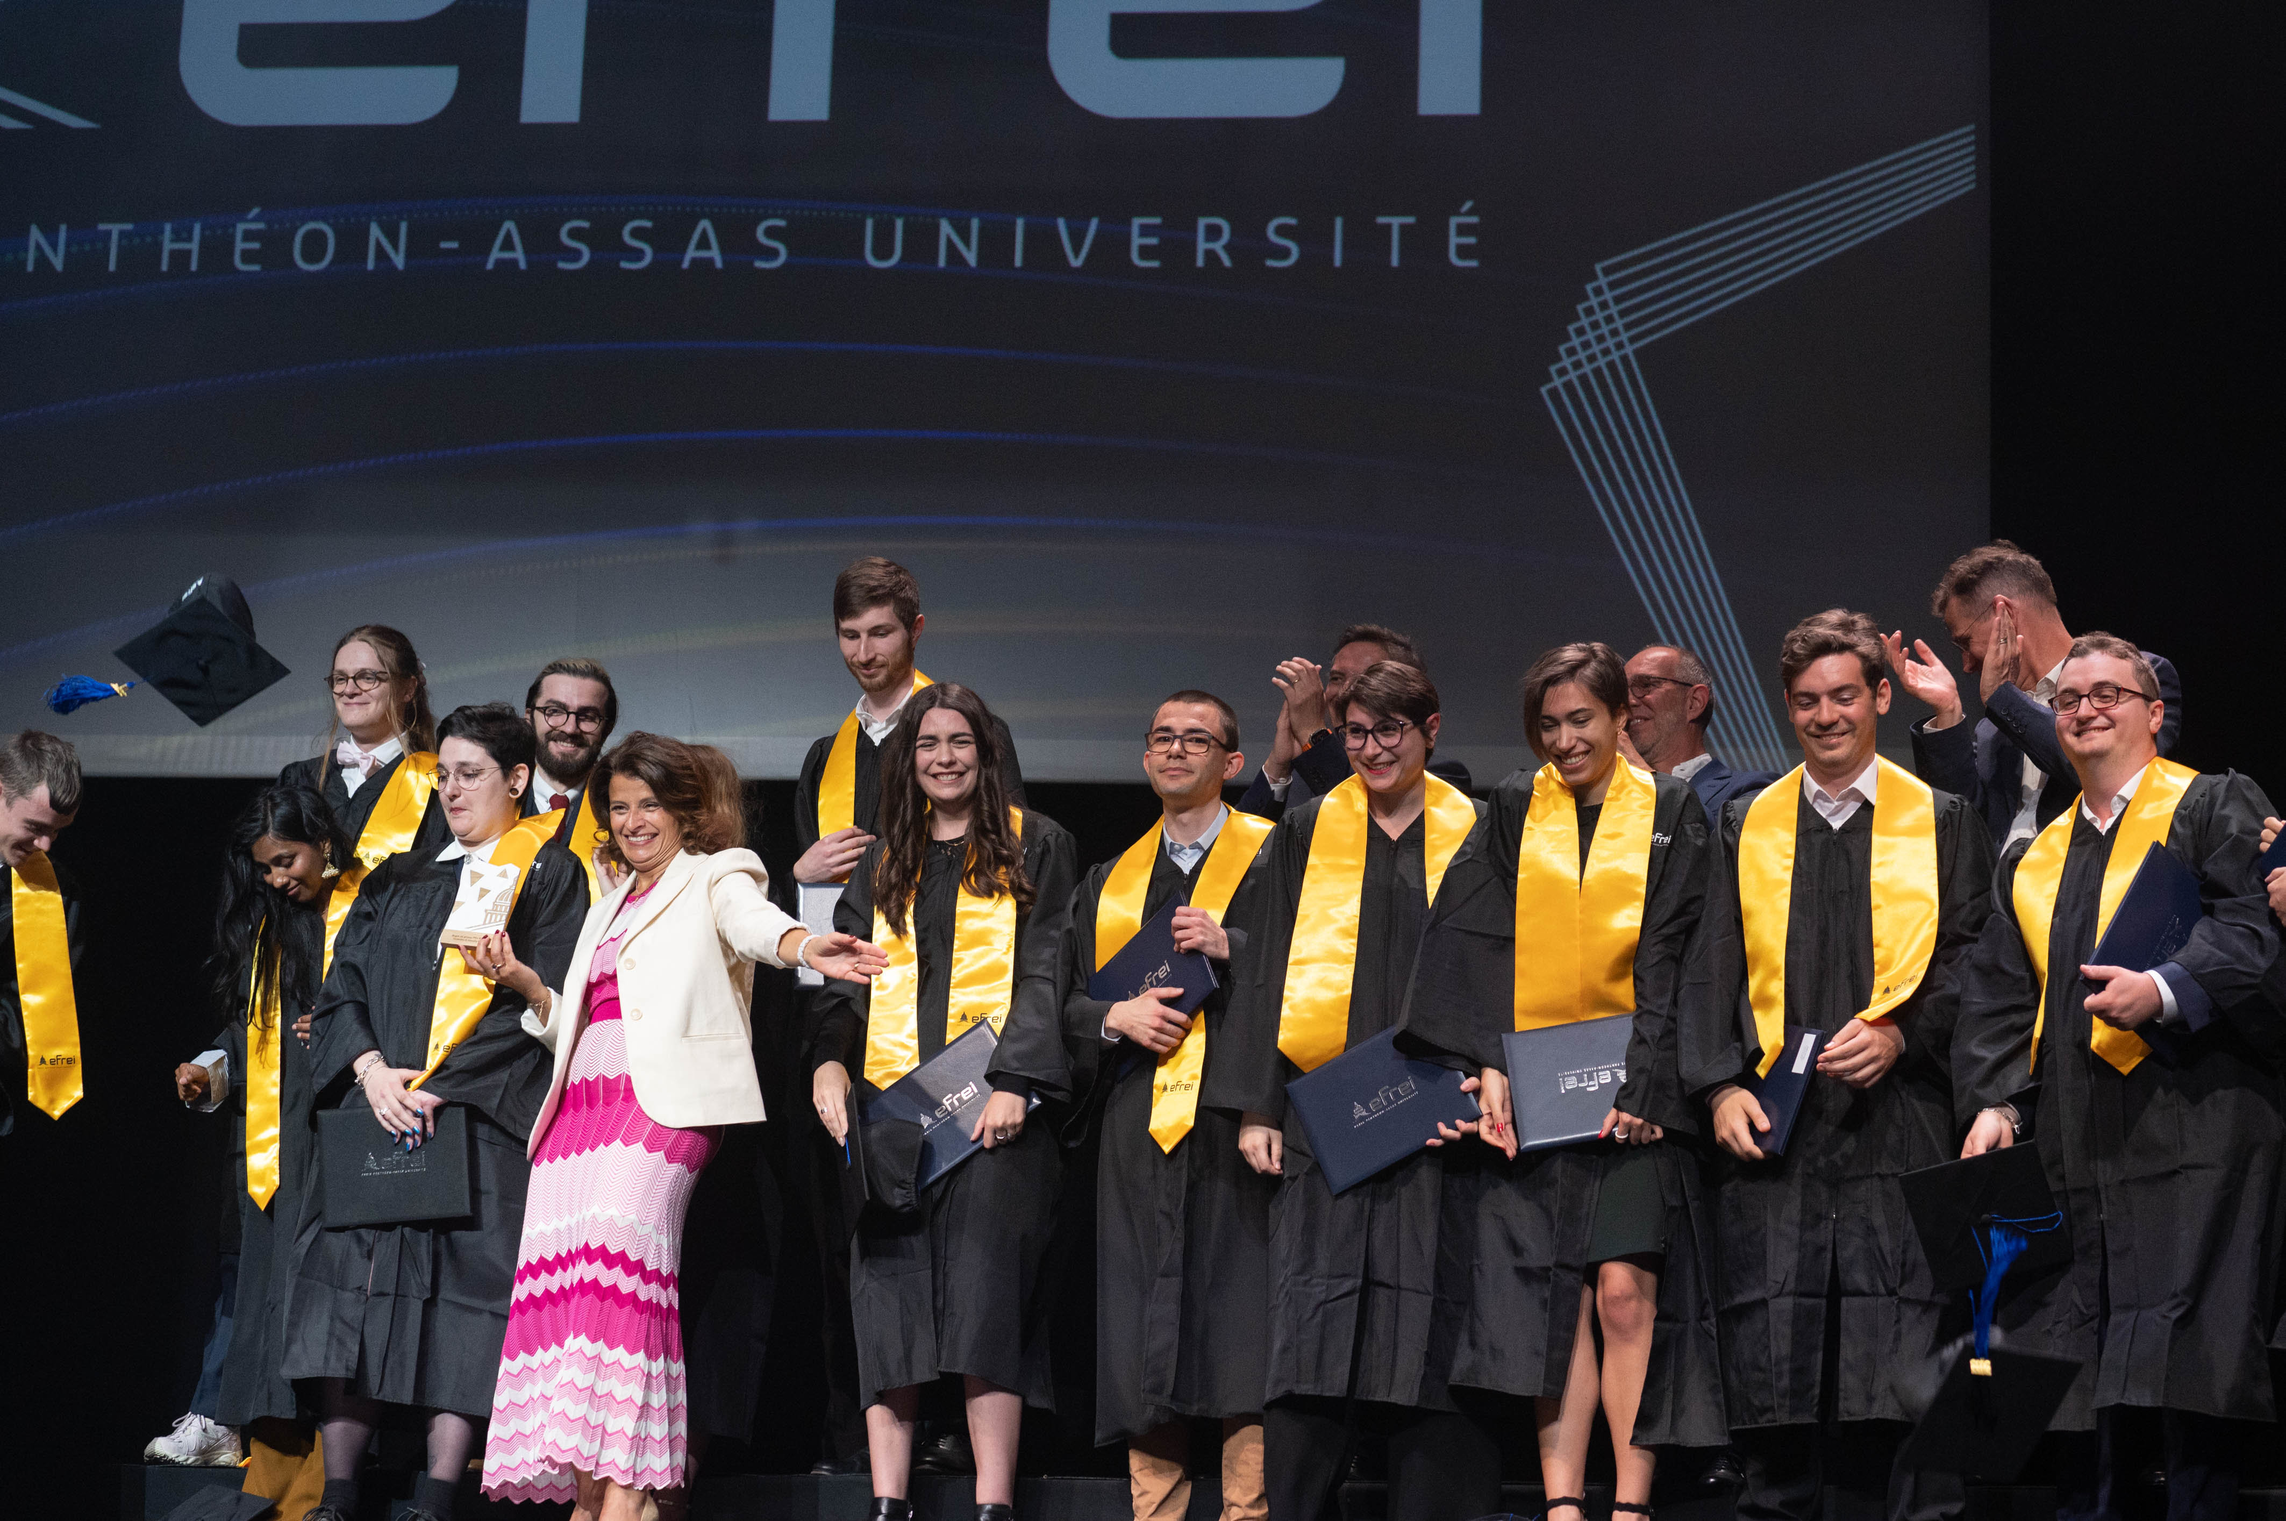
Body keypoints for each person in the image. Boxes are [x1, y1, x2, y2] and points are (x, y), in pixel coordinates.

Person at [482, 732, 885, 1520]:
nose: (633, 821)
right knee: (572, 1301)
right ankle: (593, 1497)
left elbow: (756, 925)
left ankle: (629, 1493)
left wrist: (808, 945)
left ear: (685, 810)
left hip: (659, 1111)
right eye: (619, 807)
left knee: (624, 1280)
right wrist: (529, 986)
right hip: (577, 1117)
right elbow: (585, 1021)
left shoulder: (718, 872)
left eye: (650, 805)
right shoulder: (607, 904)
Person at [1952, 634, 2281, 1521]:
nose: (2085, 709)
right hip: (2075, 1139)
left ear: (2154, 712)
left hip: (2196, 1128)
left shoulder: (2211, 804)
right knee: (2080, 1370)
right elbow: (1997, 997)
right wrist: (1995, 1104)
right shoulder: (2034, 858)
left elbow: (2255, 931)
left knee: (2192, 1367)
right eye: (2068, 698)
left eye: (2109, 694)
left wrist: (2165, 988)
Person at [1676, 609, 1994, 1521]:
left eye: (1845, 695)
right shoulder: (1744, 823)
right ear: (1787, 708)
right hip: (1775, 1140)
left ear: (1881, 697)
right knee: (1779, 1378)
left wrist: (1903, 1033)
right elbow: (1707, 963)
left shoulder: (1940, 820)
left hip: (1901, 1127)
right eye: (1808, 700)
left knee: (1902, 1375)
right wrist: (1718, 1085)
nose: (1826, 716)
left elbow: (1976, 958)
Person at [1404, 643, 1725, 1521]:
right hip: (1540, 1093)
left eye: (1581, 719)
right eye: (1548, 724)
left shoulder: (1672, 809)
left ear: (1622, 716)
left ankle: (1631, 1503)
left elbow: (1684, 951)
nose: (1564, 739)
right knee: (1554, 1297)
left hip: (1637, 1097)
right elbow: (1472, 939)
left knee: (1623, 1292)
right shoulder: (1516, 805)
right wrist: (1488, 1061)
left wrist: (1651, 1085)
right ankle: (1562, 1503)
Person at [1203, 661, 1499, 1521]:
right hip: (1326, 1112)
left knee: (1438, 1314)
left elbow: (1503, 964)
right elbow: (1262, 962)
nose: (1370, 750)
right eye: (1357, 733)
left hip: (1443, 1117)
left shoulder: (1478, 831)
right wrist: (1258, 1103)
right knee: (1315, 1318)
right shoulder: (1305, 827)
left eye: (1389, 731)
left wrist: (1493, 1072)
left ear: (1431, 730)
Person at [286, 703, 591, 1521]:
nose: (452, 790)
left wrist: (442, 1084)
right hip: (379, 1110)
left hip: (474, 1121)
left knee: (463, 1304)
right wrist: (370, 1070)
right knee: (349, 1293)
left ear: (517, 779)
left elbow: (542, 999)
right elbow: (342, 985)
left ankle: (437, 1495)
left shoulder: (550, 873)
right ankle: (339, 1495)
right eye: (444, 774)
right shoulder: (398, 876)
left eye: (471, 774)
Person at [807, 683, 1077, 1521]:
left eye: (960, 741)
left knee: (985, 1300)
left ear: (988, 753)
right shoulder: (887, 858)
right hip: (894, 1115)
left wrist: (1017, 1079)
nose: (944, 757)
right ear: (908, 758)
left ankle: (994, 1504)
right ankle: (888, 1502)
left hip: (993, 1112)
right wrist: (828, 1059)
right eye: (928, 744)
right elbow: (846, 977)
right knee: (887, 1297)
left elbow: (1048, 969)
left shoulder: (1040, 845)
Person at [786, 556, 1025, 1476]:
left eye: (881, 632)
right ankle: (865, 1438)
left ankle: (958, 1437)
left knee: (966, 1248)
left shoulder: (959, 727)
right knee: (866, 1241)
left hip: (960, 1024)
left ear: (916, 630)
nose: (864, 651)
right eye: (849, 635)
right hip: (858, 1016)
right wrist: (800, 877)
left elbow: (1007, 873)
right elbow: (820, 919)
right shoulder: (825, 755)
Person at [1061, 691, 1278, 1521]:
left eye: (1197, 738)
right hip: (1136, 1123)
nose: (1176, 750)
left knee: (1242, 1318)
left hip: (1238, 1115)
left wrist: (1234, 945)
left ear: (1232, 760)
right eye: (1163, 738)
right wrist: (1112, 1016)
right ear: (1146, 758)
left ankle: (1248, 1512)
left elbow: (1326, 967)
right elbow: (1057, 1001)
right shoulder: (1109, 879)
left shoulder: (1276, 854)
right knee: (1139, 1322)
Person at [166, 786, 352, 1513]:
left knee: (326, 1306)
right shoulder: (270, 930)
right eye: (264, 867)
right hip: (275, 1145)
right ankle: (272, 1470)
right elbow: (253, 1039)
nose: (275, 878)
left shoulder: (361, 911)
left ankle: (331, 1480)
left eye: (286, 861)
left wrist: (345, 1026)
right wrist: (210, 1069)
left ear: (323, 844)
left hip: (342, 1135)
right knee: (267, 1302)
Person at [1886, 541, 2183, 851]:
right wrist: (1947, 710)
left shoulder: (2138, 677)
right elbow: (1962, 826)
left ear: (2005, 613)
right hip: (1998, 881)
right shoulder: (1993, 728)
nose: (1967, 665)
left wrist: (2002, 698)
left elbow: (2108, 773)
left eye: (1965, 642)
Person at [1236, 623, 1427, 821]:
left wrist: (1312, 733)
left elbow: (1364, 818)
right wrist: (1278, 766)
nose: (1346, 691)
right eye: (1336, 678)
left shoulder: (1430, 777)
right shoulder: (1305, 773)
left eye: (1365, 678)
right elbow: (1239, 838)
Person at [0, 729, 83, 1137]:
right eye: (34, 826)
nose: (46, 845)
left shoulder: (56, 892)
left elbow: (32, 1015)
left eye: (57, 831)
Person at [1623, 642, 1778, 819]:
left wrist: (1649, 781)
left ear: (1694, 702)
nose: (1628, 701)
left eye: (1645, 685)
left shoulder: (1753, 790)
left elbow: (1712, 835)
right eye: (1621, 692)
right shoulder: (1611, 796)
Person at [521, 656, 619, 898]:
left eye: (587, 716)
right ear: (529, 717)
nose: (570, 728)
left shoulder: (624, 816)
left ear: (607, 728)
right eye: (554, 711)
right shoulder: (493, 805)